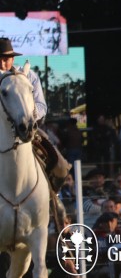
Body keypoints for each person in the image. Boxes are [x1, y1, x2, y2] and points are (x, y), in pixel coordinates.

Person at [0, 38, 71, 190]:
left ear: (12, 58)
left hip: (26, 125)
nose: (2, 64)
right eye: (0, 59)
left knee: (61, 166)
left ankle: (54, 198)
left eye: (6, 59)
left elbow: (41, 106)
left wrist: (27, 116)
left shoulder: (29, 76)